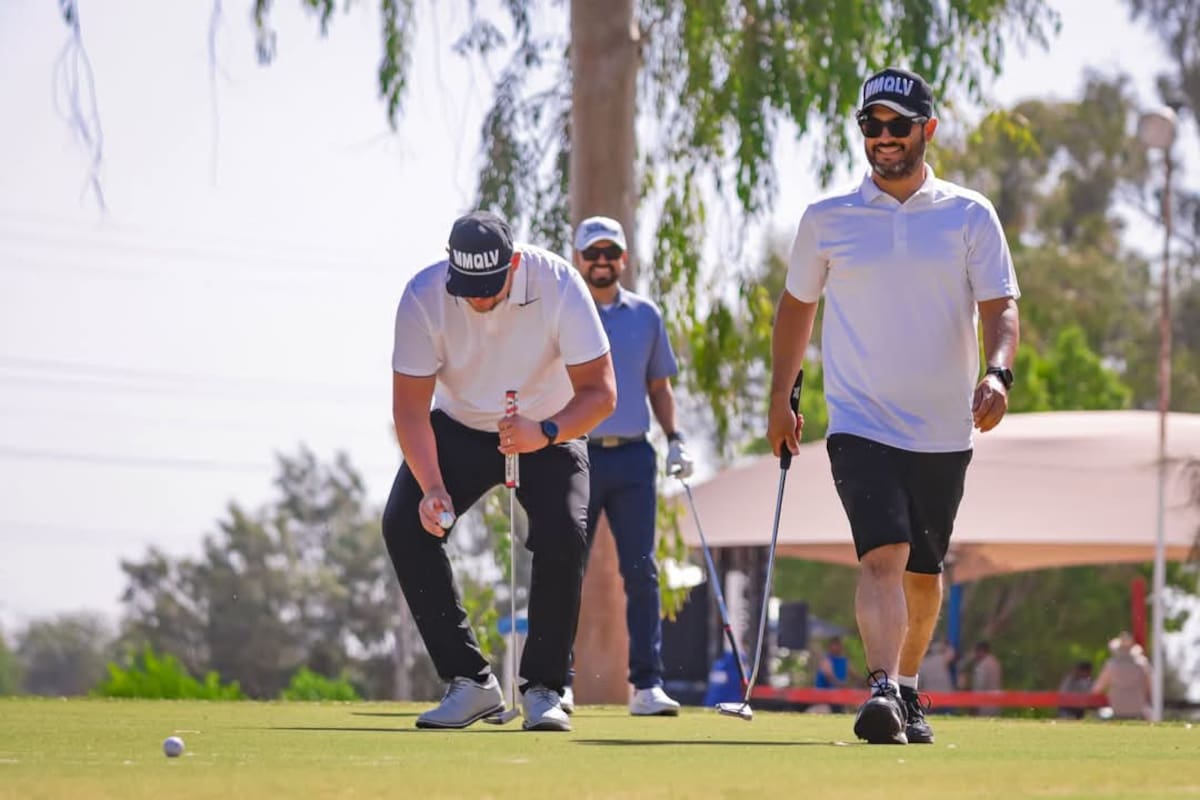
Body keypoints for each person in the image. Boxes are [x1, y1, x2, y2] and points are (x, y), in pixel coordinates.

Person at [767, 66, 1020, 746]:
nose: (883, 137)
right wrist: (781, 398)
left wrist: (998, 374)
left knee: (923, 573)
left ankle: (906, 688)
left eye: (897, 125)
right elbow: (796, 309)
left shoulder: (970, 214)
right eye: (871, 125)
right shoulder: (826, 219)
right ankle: (881, 687)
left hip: (943, 429)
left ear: (926, 129)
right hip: (860, 421)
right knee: (883, 553)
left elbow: (1000, 306)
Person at [382, 210, 616, 732]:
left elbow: (601, 393)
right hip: (459, 425)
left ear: (512, 265)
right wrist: (432, 487)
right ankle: (469, 682)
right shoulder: (422, 297)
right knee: (406, 525)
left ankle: (544, 689)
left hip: (549, 426)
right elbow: (410, 410)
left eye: (490, 289)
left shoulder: (558, 284)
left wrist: (546, 432)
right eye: (469, 290)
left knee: (564, 534)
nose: (480, 302)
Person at [561, 215, 692, 717]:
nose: (601, 261)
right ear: (578, 259)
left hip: (635, 456)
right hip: (576, 453)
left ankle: (647, 686)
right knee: (563, 566)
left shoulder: (646, 315)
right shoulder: (564, 314)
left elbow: (659, 385)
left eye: (609, 253)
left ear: (623, 259)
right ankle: (555, 682)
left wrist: (676, 438)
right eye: (592, 253)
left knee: (641, 570)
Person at [1092, 631, 1152, 720]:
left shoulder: (1111, 665)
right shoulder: (1143, 664)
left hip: (1117, 710)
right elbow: (1150, 687)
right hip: (1139, 710)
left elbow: (1096, 689)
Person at [814, 636, 851, 713]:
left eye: (838, 645)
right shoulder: (826, 661)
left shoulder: (843, 661)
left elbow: (853, 674)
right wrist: (844, 685)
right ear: (829, 646)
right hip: (824, 698)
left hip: (839, 698)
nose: (836, 648)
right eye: (834, 645)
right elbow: (831, 678)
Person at [969, 641, 1003, 716]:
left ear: (981, 651)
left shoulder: (982, 665)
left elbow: (979, 686)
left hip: (985, 703)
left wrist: (974, 703)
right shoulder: (995, 662)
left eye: (976, 652)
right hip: (996, 701)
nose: (975, 655)